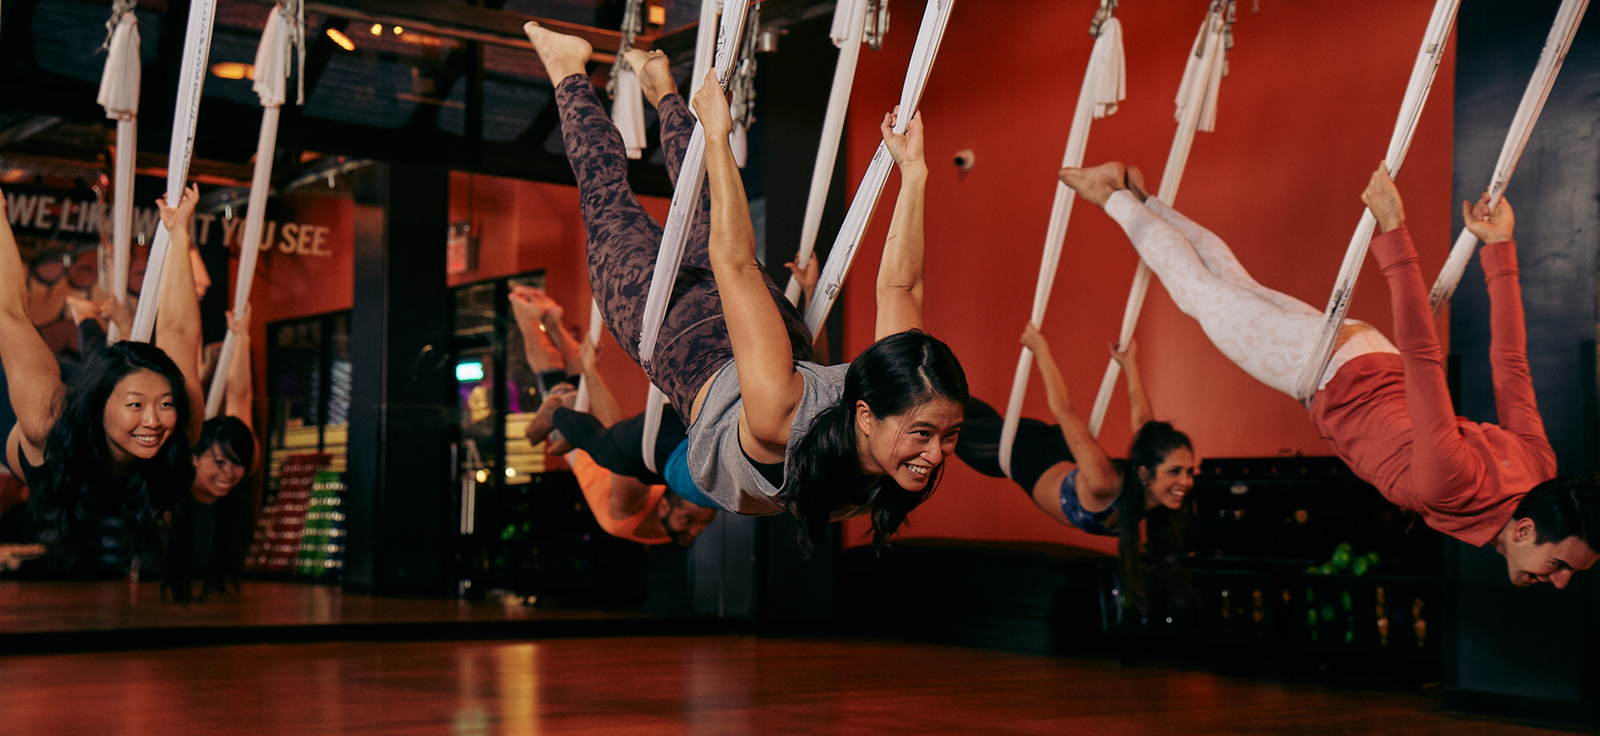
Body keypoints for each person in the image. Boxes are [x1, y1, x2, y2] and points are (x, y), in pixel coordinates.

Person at [522, 25, 966, 554]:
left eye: (945, 436)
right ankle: (601, 75)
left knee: (648, 203)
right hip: (717, 340)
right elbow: (892, 282)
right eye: (927, 434)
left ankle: (624, 81)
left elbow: (743, 266)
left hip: (725, 340)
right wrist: (913, 170)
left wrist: (717, 135)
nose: (936, 455)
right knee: (635, 203)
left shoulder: (836, 413)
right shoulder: (826, 406)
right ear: (864, 412)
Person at [1061, 160, 1600, 587]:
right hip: (1324, 370)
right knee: (1196, 294)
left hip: (1365, 352)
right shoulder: (1453, 487)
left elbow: (1511, 364)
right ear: (1527, 530)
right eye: (1558, 566)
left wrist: (1501, 248)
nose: (1555, 581)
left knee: (1231, 285)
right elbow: (1424, 360)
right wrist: (1392, 233)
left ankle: (1140, 198)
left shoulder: (1540, 468)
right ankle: (1109, 193)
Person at [0, 185, 204, 576]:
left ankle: (93, 332)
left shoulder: (180, 427)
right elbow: (10, 313)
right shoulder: (48, 422)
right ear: (100, 404)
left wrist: (178, 233)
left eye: (164, 404)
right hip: (16, 416)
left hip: (96, 390)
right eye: (136, 406)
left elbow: (178, 331)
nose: (154, 421)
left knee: (123, 370)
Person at [956, 325, 1197, 610]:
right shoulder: (1104, 482)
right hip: (1022, 452)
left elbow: (1144, 421)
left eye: (1189, 471)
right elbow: (1064, 410)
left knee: (959, 406)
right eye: (1175, 471)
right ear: (1145, 473)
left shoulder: (1147, 481)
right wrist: (1041, 349)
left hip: (1054, 451)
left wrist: (1129, 363)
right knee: (949, 418)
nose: (1185, 481)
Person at [163, 305, 258, 601]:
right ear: (193, 456)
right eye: (218, 463)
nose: (229, 474)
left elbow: (240, 396)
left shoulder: (244, 457)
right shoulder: (170, 471)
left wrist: (242, 338)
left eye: (236, 465)